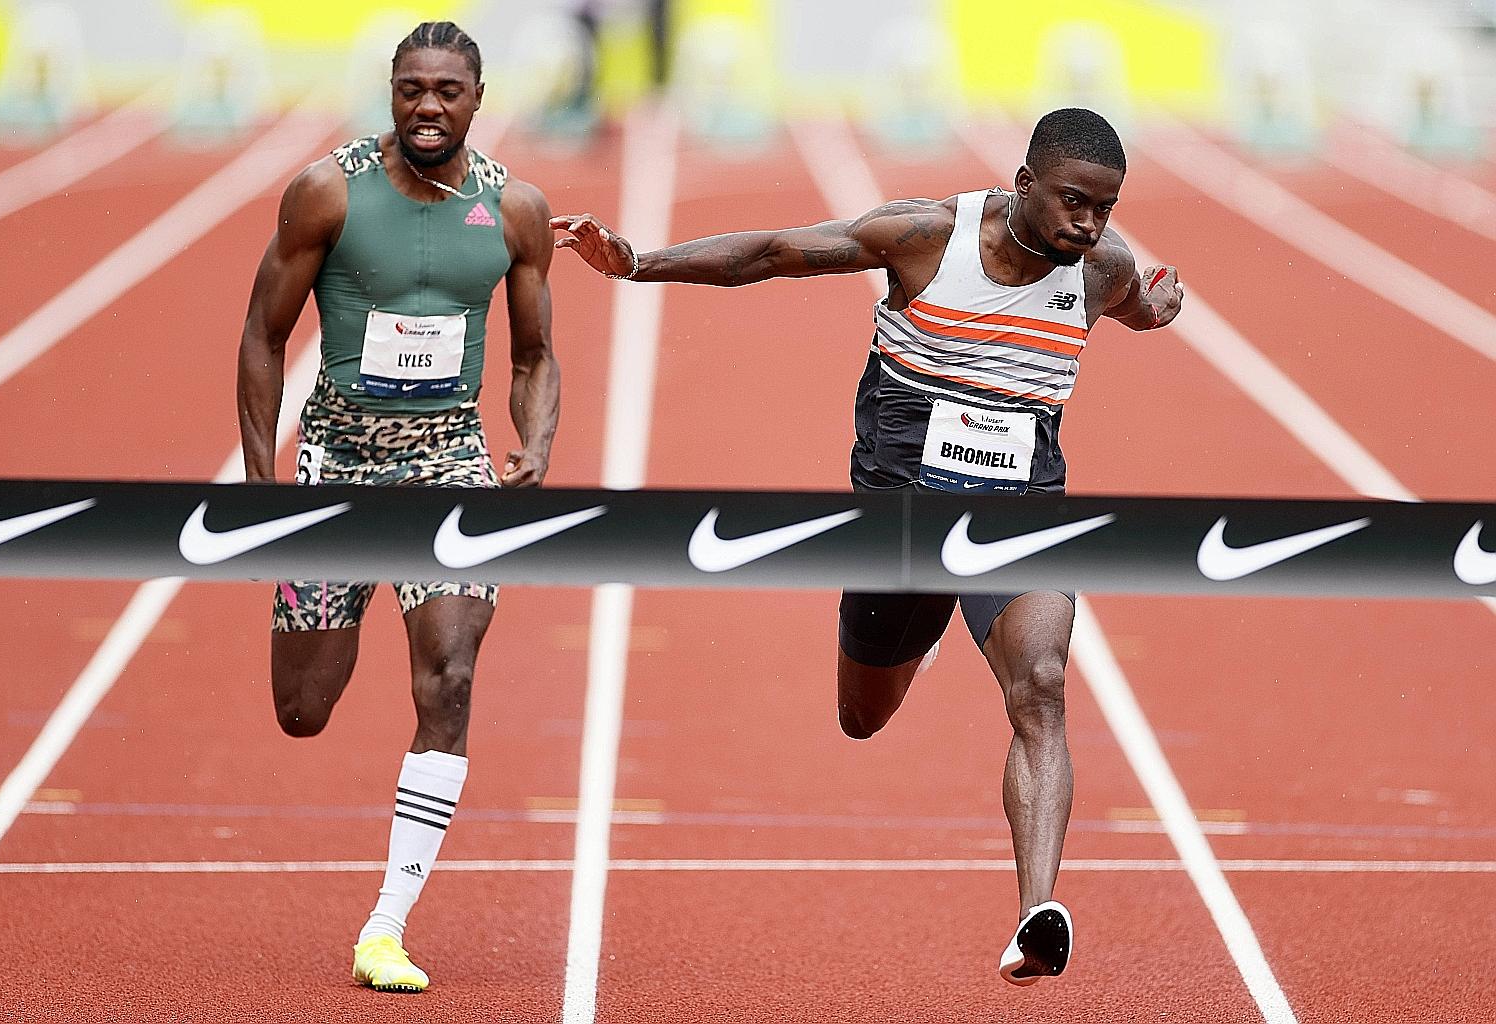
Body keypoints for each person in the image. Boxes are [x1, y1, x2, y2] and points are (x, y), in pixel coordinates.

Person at [552, 107, 1182, 986]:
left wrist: (1156, 307)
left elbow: (1137, 303)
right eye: (1075, 203)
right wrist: (639, 263)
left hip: (1020, 515)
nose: (1089, 225)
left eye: (1106, 209)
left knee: (1040, 683)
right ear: (1025, 184)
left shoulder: (1099, 271)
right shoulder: (928, 237)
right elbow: (772, 251)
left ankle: (1034, 910)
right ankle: (917, 640)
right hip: (898, 522)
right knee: (861, 716)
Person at [236, 21, 559, 993]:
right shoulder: (327, 190)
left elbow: (535, 352)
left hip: (446, 461)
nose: (428, 106)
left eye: (447, 91)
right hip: (336, 458)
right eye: (411, 89)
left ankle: (387, 922)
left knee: (449, 678)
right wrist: (263, 490)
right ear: (390, 93)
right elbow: (262, 333)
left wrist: (534, 441)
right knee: (302, 709)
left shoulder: (514, 210)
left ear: (477, 98)